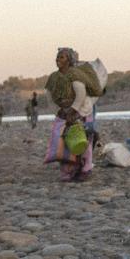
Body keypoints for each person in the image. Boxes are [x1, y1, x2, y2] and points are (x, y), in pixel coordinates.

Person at [43, 47, 97, 183]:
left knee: (82, 139)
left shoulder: (76, 75)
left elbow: (81, 94)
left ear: (69, 60)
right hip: (63, 112)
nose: (58, 60)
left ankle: (85, 169)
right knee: (63, 141)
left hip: (82, 111)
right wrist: (58, 111)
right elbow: (49, 97)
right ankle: (68, 171)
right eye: (57, 57)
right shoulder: (53, 77)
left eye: (61, 57)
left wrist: (73, 111)